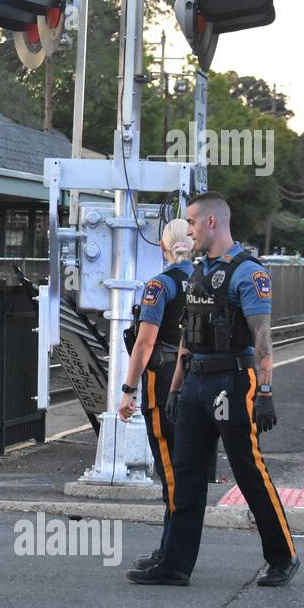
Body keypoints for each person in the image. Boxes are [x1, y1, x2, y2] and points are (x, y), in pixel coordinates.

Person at [126, 191, 298, 587]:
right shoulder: (199, 271)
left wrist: (266, 393)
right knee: (185, 476)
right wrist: (175, 388)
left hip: (233, 382)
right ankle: (174, 563)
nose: (188, 230)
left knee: (248, 471)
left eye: (191, 223)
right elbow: (189, 334)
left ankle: (282, 555)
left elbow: (263, 337)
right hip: (195, 384)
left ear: (212, 223)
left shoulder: (248, 272)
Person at [118, 219, 194, 570]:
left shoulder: (160, 286)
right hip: (195, 382)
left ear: (164, 248)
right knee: (186, 468)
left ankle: (171, 557)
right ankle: (170, 549)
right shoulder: (204, 281)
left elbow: (145, 342)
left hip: (162, 382)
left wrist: (128, 390)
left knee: (170, 470)